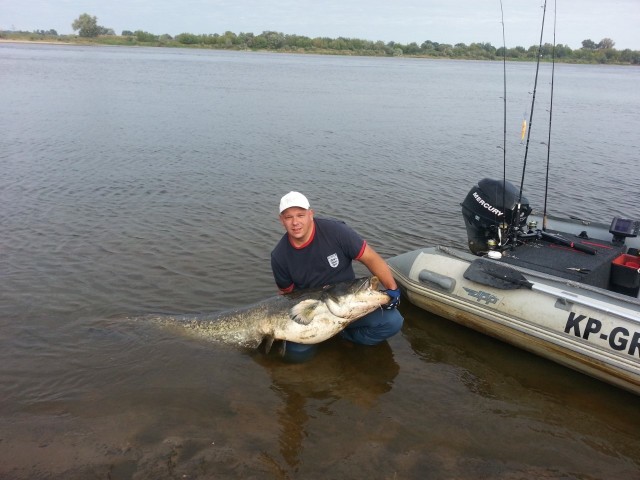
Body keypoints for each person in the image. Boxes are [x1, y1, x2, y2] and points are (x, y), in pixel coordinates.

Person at [271, 191, 403, 362]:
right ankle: (321, 343)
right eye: (288, 217)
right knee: (296, 354)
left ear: (311, 214)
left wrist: (393, 288)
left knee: (392, 322)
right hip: (314, 314)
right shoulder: (280, 257)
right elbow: (286, 297)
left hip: (349, 302)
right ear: (282, 220)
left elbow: (370, 258)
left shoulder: (336, 232)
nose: (295, 222)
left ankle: (346, 337)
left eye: (300, 215)